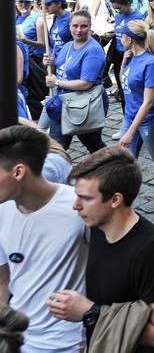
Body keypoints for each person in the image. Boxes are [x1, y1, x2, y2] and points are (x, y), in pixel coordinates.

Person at [47, 146, 154, 350]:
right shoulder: (94, 227)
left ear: (115, 199)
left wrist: (89, 312)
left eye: (86, 198)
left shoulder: (150, 249)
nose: (75, 205)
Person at [0, 125, 88, 352]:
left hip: (67, 343)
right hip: (17, 339)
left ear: (19, 172)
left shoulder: (79, 207)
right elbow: (2, 280)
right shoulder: (1, 211)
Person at [116, 20, 154, 186]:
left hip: (151, 121)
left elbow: (148, 102)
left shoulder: (150, 63)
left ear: (130, 39)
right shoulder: (132, 57)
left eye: (122, 36)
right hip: (131, 117)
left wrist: (130, 132)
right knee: (125, 160)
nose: (120, 39)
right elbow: (125, 84)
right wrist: (123, 64)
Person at [43, 10, 108, 153]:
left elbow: (86, 83)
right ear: (70, 26)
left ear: (90, 27)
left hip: (85, 103)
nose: (78, 30)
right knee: (56, 146)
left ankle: (113, 168)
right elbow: (59, 69)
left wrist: (57, 82)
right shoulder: (67, 46)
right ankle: (54, 173)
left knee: (93, 145)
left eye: (83, 26)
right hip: (63, 102)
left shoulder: (93, 51)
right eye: (75, 26)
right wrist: (49, 63)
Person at [107, 0, 144, 111]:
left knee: (132, 87)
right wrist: (111, 34)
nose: (118, 12)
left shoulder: (138, 17)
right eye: (115, 10)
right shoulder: (118, 17)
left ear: (128, 3)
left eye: (119, 8)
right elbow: (120, 33)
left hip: (132, 55)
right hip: (118, 54)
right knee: (122, 87)